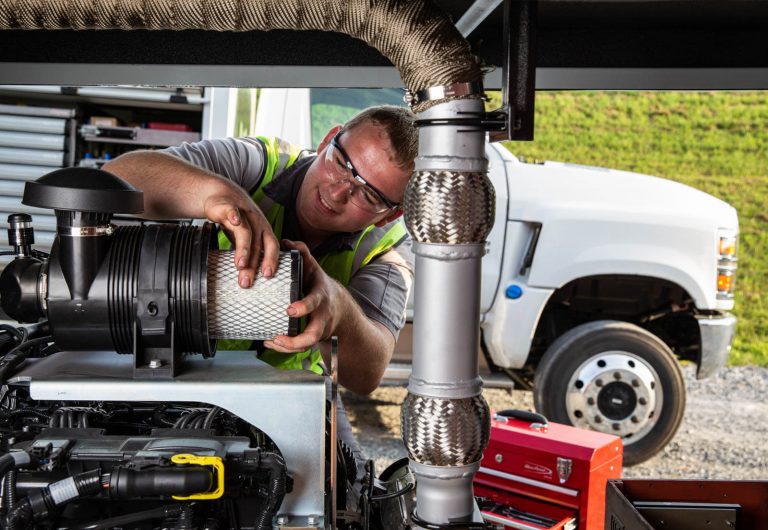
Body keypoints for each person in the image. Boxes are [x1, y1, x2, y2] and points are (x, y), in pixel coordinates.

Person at [102, 106, 417, 396]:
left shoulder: (387, 250)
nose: (336, 193)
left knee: (338, 456)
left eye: (368, 195)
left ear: (390, 215)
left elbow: (368, 375)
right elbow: (114, 178)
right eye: (340, 164)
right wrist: (218, 193)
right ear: (327, 141)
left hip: (287, 392)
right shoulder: (259, 162)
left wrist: (340, 313)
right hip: (181, 363)